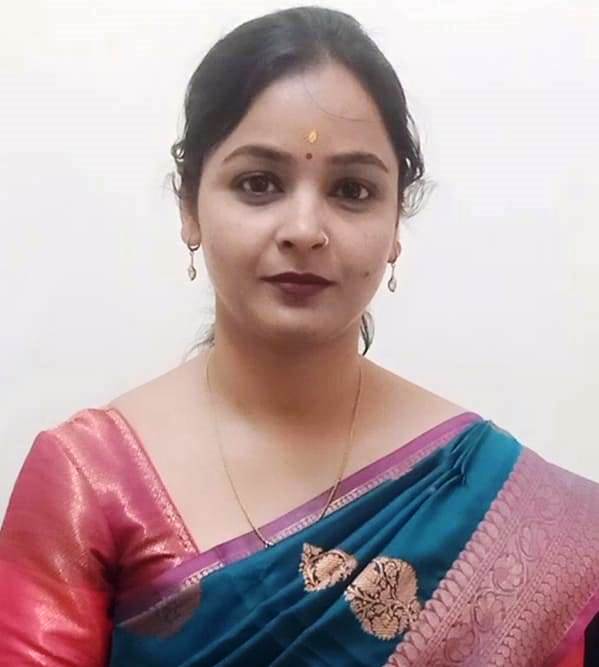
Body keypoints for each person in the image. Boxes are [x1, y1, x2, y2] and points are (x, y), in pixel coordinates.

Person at [1, 6, 597, 666]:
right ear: (189, 207)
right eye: (259, 184)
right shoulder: (89, 480)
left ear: (396, 223)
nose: (305, 229)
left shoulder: (503, 504)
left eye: (351, 190)